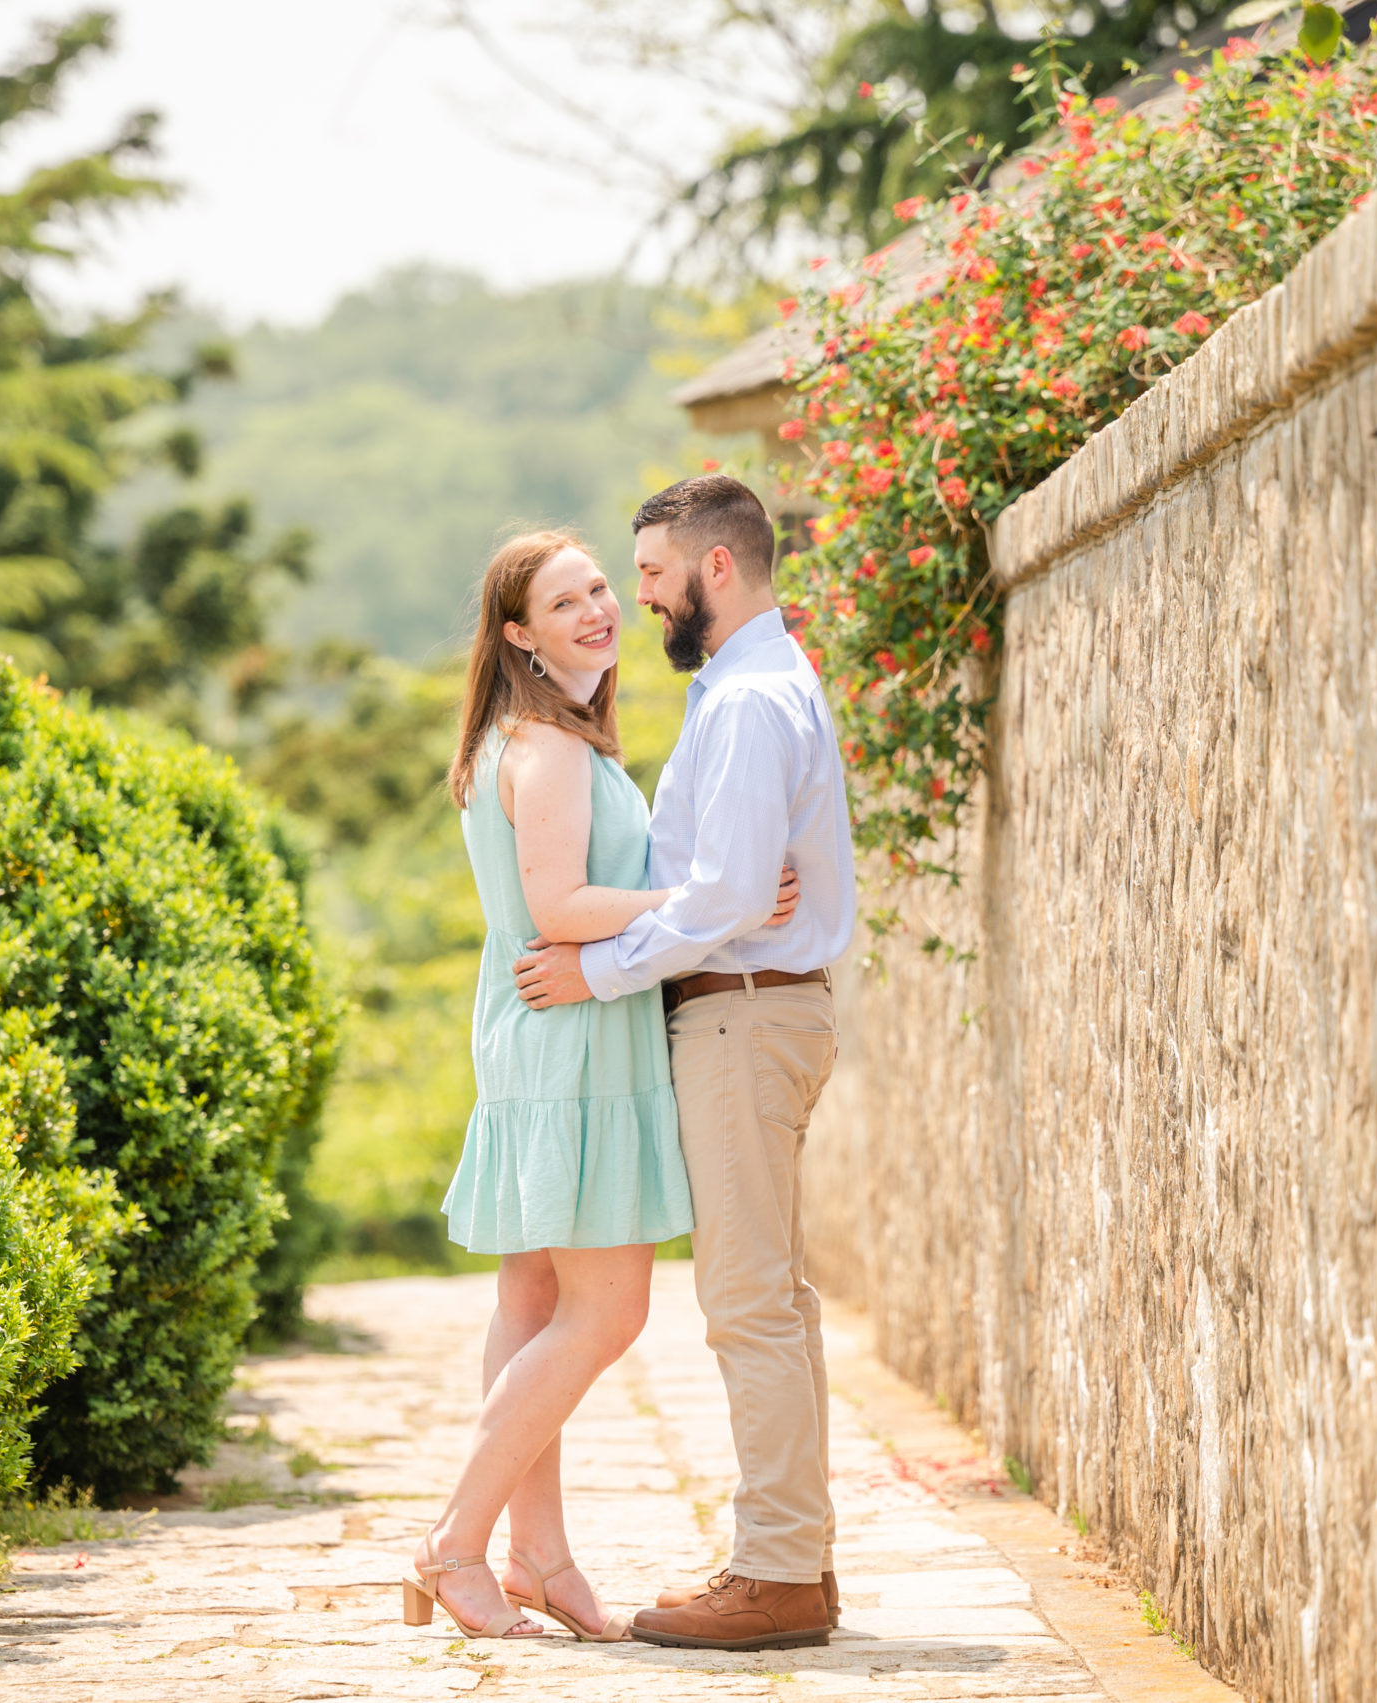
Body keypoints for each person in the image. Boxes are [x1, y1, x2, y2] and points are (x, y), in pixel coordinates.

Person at [400, 529, 800, 1643]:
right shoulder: (554, 749)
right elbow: (561, 905)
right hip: (573, 1037)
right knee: (606, 1309)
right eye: (562, 600)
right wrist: (712, 897)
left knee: (529, 1301)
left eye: (596, 590)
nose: (594, 610)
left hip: (536, 1031)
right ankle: (453, 1543)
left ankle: (538, 1553)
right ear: (517, 632)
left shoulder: (518, 740)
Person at [510, 474, 858, 1653]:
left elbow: (721, 898)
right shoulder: (742, 686)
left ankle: (774, 1572)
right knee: (775, 1298)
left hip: (744, 1016)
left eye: (650, 573)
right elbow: (724, 892)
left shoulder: (752, 700)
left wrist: (595, 970)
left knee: (747, 1301)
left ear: (714, 568)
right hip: (751, 1009)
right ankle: (794, 1554)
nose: (639, 597)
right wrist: (699, 918)